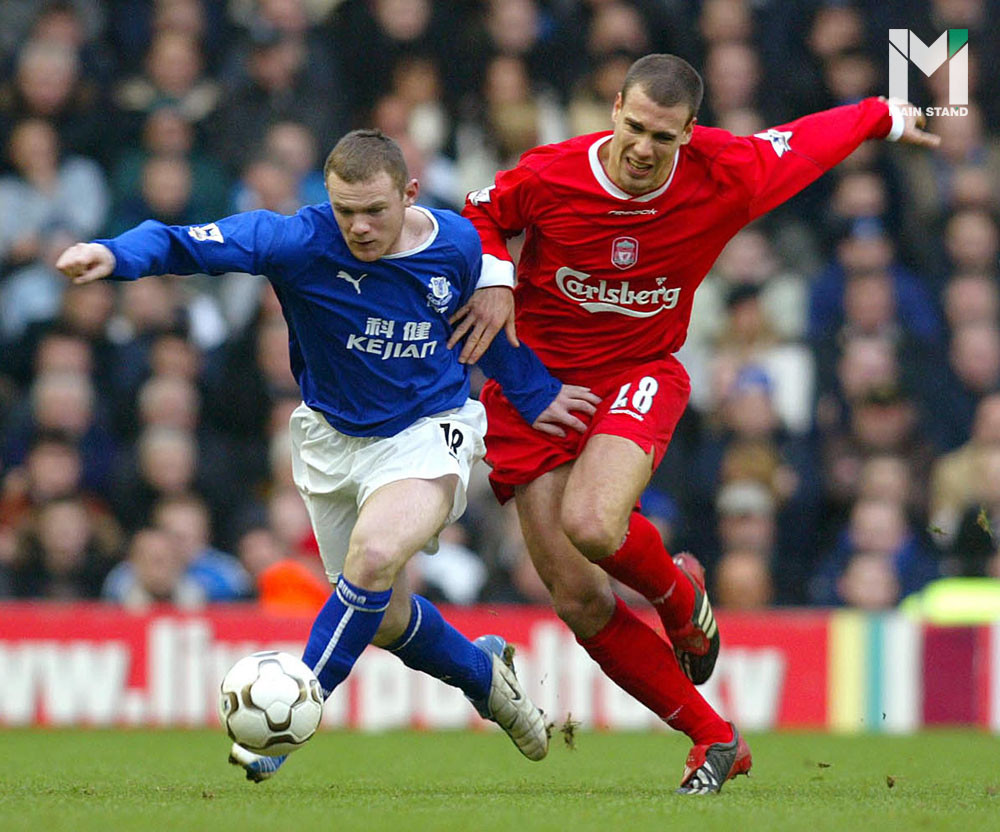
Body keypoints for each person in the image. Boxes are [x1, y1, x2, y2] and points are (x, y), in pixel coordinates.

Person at [458, 53, 939, 794]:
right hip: (539, 389)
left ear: (689, 133)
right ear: (615, 110)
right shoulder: (552, 173)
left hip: (638, 372)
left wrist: (881, 114)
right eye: (635, 126)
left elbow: (804, 143)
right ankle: (716, 739)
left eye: (664, 136)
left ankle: (680, 599)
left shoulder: (726, 173)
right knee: (578, 598)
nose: (644, 148)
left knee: (593, 523)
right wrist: (495, 279)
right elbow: (479, 213)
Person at [56, 128, 599, 780]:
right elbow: (185, 242)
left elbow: (484, 329)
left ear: (410, 193)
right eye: (345, 210)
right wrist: (112, 254)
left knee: (372, 557)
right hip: (330, 441)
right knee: (385, 617)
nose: (360, 227)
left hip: (430, 429)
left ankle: (287, 718)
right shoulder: (298, 241)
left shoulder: (455, 244)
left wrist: (535, 392)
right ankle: (485, 677)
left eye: (374, 210)